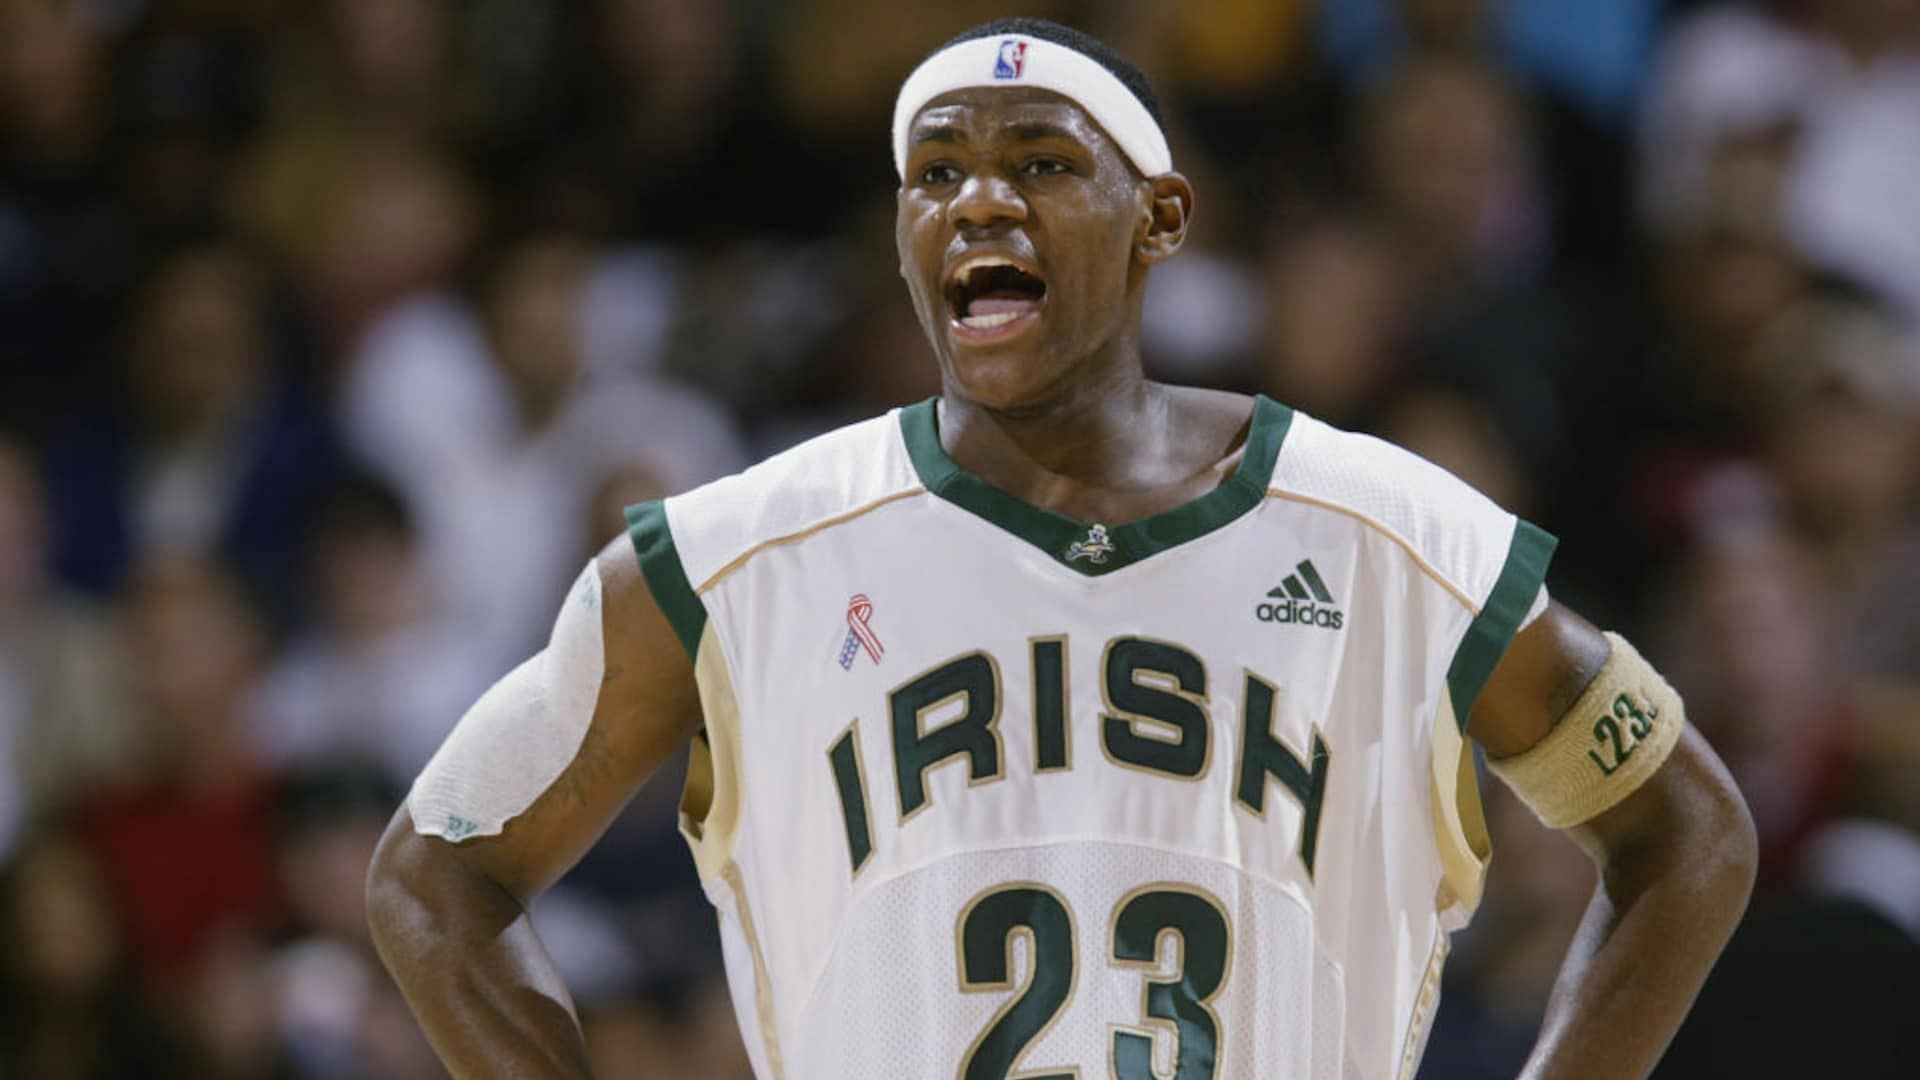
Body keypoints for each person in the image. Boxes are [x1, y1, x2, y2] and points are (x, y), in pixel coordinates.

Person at [367, 18, 1757, 1079]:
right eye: (937, 173)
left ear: (1159, 218)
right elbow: (435, 871)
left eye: (1038, 162)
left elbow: (1687, 833)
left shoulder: (1399, 536)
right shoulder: (730, 563)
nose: (977, 201)